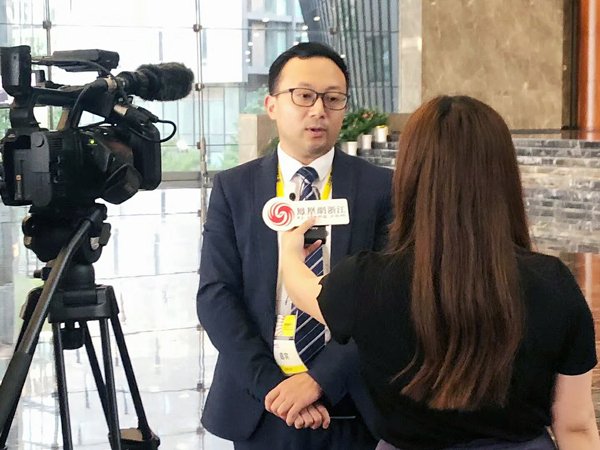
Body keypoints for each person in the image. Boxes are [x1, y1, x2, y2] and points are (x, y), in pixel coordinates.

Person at [281, 95, 600, 450]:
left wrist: (290, 252)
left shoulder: (365, 281)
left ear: (410, 175)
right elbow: (575, 426)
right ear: (504, 176)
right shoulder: (553, 283)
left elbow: (301, 287)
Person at [196, 42, 393, 450]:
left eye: (333, 99)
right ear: (271, 105)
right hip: (261, 402)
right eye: (304, 96)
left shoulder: (380, 189)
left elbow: (388, 302)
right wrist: (274, 388)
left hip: (352, 401)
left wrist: (320, 379)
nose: (319, 110)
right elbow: (216, 296)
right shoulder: (234, 189)